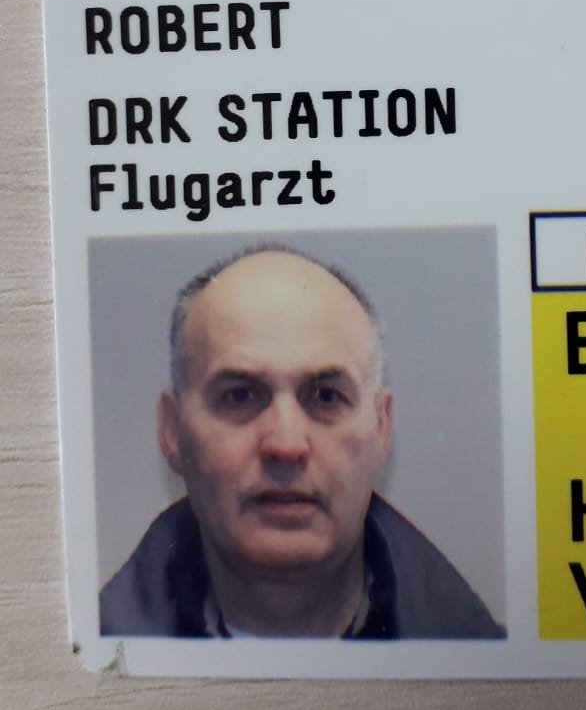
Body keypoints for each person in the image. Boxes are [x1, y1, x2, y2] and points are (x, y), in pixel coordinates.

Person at [100, 246, 504, 640]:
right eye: (240, 396)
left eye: (326, 396)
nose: (286, 445)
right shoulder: (90, 657)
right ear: (172, 431)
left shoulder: (489, 666)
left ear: (381, 429)